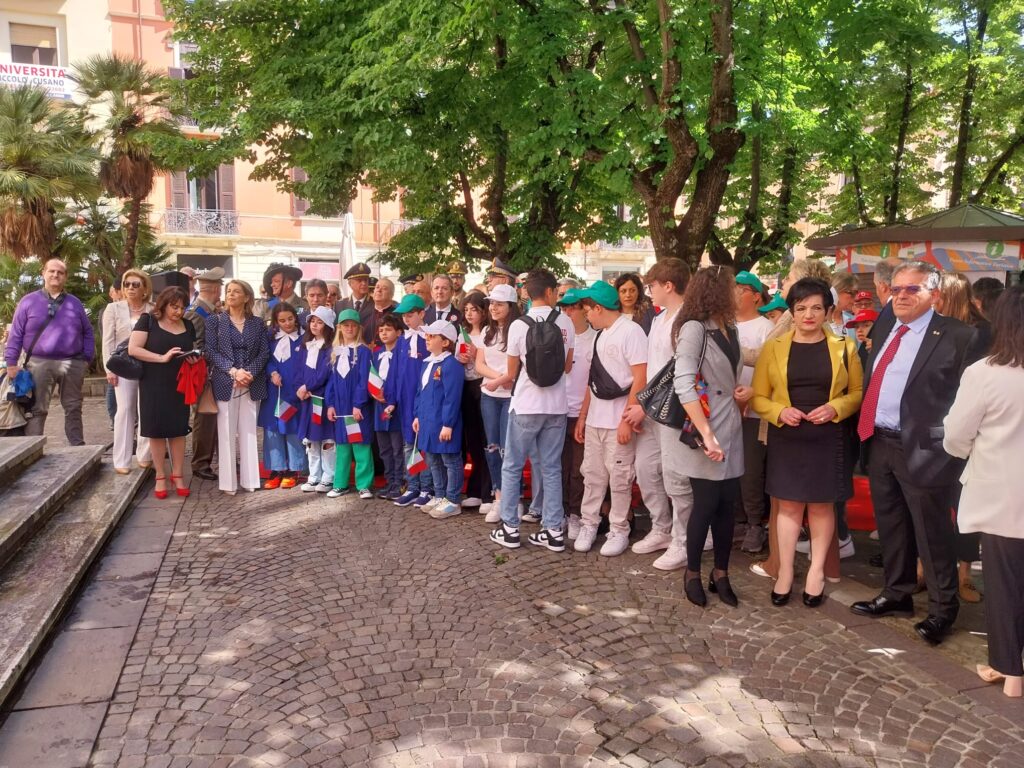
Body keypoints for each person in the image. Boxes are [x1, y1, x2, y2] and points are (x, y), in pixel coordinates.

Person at [851, 261, 982, 646]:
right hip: (880, 442)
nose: (902, 295)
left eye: (913, 289)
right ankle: (897, 593)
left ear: (935, 295)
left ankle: (943, 609)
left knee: (931, 532)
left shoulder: (960, 336)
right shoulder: (886, 326)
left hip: (927, 451)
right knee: (891, 524)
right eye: (896, 289)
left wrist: (951, 446)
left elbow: (970, 398)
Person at [751, 278, 863, 607]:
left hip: (828, 436)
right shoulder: (775, 346)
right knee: (787, 506)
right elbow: (759, 397)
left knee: (821, 505)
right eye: (801, 308)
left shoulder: (845, 346)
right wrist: (779, 411)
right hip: (788, 434)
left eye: (816, 308)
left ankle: (815, 572)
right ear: (792, 312)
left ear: (828, 311)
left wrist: (836, 407)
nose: (809, 315)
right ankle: (785, 571)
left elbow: (857, 393)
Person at [943, 286, 1024, 698]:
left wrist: (969, 450)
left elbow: (956, 435)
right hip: (1005, 491)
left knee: (1004, 581)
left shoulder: (985, 373)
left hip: (1002, 493)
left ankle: (1009, 670)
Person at [672, 266, 745, 608]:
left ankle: (721, 572)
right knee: (705, 504)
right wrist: (706, 433)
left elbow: (730, 372)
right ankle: (691, 572)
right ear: (718, 291)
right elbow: (683, 382)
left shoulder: (729, 326)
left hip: (730, 423)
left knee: (727, 504)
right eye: (733, 287)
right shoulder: (693, 328)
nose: (738, 293)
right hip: (706, 427)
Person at [489, 269, 575, 552]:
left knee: (512, 465)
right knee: (551, 468)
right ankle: (553, 531)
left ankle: (510, 528)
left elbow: (512, 372)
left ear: (528, 293)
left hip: (526, 404)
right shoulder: (566, 322)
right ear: (550, 292)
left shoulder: (518, 325)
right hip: (557, 406)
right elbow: (567, 366)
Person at [621, 258, 693, 569]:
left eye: (652, 285)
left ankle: (683, 540)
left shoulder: (687, 320)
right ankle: (661, 527)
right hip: (652, 408)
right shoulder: (661, 318)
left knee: (677, 477)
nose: (647, 291)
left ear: (669, 286)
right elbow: (652, 369)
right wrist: (642, 403)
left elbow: (677, 372)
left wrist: (644, 404)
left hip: (673, 409)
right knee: (648, 470)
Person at [572, 281, 648, 556]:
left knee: (619, 477)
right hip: (595, 419)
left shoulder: (631, 332)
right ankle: (589, 523)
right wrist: (583, 417)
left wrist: (626, 420)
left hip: (618, 418)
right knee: (592, 475)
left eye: (586, 309)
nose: (585, 314)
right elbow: (594, 382)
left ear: (598, 307)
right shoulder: (601, 335)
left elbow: (641, 377)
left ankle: (619, 529)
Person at [934, 271, 993, 604]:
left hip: (965, 432)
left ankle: (965, 574)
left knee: (964, 505)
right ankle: (925, 567)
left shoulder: (981, 332)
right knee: (930, 504)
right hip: (933, 430)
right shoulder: (929, 329)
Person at [4, 258, 94, 444]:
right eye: (52, 271)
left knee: (73, 407)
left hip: (72, 362)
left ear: (65, 277)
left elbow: (88, 332)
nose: (55, 275)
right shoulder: (28, 301)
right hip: (38, 363)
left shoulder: (74, 303)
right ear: (43, 274)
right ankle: (32, 447)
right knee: (37, 408)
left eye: (60, 272)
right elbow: (16, 334)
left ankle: (78, 447)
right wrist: (11, 362)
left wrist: (86, 358)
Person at [128, 287, 197, 499]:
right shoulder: (148, 320)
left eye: (182, 307)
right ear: (163, 304)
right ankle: (160, 475)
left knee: (178, 429)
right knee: (156, 429)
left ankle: (178, 475)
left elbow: (190, 347)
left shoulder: (187, 324)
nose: (179, 311)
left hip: (179, 383)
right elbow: (134, 349)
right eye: (174, 307)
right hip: (153, 381)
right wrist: (161, 357)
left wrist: (193, 359)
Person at [206, 280, 269, 495]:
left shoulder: (258, 323)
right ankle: (228, 483)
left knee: (249, 431)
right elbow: (211, 352)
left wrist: (248, 373)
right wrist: (233, 371)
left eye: (236, 291)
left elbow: (264, 352)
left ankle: (251, 480)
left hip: (251, 381)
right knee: (226, 431)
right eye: (228, 291)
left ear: (247, 297)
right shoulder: (215, 321)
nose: (231, 294)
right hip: (226, 381)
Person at [732, 270, 774, 554]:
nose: (734, 292)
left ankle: (755, 524)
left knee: (751, 470)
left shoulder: (766, 328)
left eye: (740, 288)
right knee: (728, 467)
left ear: (756, 296)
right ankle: (736, 519)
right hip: (725, 409)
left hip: (754, 411)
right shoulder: (725, 324)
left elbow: (770, 369)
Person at [476, 284, 521, 522]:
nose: (493, 307)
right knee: (491, 447)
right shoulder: (486, 331)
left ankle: (513, 500)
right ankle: (498, 497)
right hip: (490, 395)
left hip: (511, 397)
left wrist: (505, 380)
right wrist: (498, 379)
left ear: (510, 307)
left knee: (508, 450)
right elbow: (479, 364)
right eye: (491, 303)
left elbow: (519, 366)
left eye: (498, 303)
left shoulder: (519, 330)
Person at [102, 269, 154, 473]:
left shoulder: (153, 308)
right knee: (124, 411)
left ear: (145, 288)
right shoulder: (113, 309)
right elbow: (108, 341)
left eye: (135, 284)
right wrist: (109, 369)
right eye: (127, 284)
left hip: (149, 364)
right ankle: (122, 460)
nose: (130, 288)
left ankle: (144, 454)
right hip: (123, 366)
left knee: (146, 409)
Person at [554, 286, 595, 539]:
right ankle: (560, 512)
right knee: (558, 466)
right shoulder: (557, 337)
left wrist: (585, 413)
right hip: (558, 410)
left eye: (573, 307)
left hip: (584, 412)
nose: (568, 312)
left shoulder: (595, 338)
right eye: (564, 307)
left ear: (584, 309)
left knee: (579, 469)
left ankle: (577, 514)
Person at [414, 320, 466, 519]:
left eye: (432, 336)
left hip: (443, 422)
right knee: (433, 459)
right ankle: (439, 494)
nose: (427, 339)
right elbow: (420, 392)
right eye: (427, 336)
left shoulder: (451, 365)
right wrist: (417, 415)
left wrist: (448, 424)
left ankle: (452, 500)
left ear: (445, 342)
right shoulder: (427, 363)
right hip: (428, 420)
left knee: (450, 460)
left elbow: (452, 397)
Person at [390, 294, 436, 507]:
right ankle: (413, 485)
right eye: (404, 316)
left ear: (421, 314)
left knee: (423, 444)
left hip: (424, 398)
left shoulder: (430, 338)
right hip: (405, 399)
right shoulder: (401, 340)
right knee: (409, 444)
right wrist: (392, 398)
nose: (406, 320)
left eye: (410, 315)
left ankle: (427, 487)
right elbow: (395, 372)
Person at [325, 309, 374, 499]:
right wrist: (330, 404)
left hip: (356, 409)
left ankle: (364, 485)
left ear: (358, 328)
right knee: (343, 447)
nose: (350, 328)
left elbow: (364, 380)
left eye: (353, 325)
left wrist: (358, 404)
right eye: (346, 325)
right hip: (339, 407)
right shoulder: (335, 352)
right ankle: (340, 483)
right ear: (339, 328)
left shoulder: (363, 352)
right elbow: (330, 381)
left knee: (360, 446)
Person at [258, 303, 306, 490]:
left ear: (296, 317)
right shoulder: (271, 339)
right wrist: (272, 373)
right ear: (276, 322)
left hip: (293, 390)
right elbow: (267, 359)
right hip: (274, 390)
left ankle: (294, 469)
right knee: (272, 429)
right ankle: (276, 468)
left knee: (292, 429)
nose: (287, 324)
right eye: (282, 320)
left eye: (290, 319)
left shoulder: (303, 339)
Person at [186, 267, 223, 481]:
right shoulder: (197, 313)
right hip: (204, 374)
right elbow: (197, 348)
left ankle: (211, 459)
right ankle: (200, 462)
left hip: (214, 373)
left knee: (212, 418)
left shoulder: (209, 311)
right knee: (204, 417)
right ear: (217, 289)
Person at [456, 291, 492, 509]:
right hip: (467, 387)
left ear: (483, 311)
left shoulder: (488, 333)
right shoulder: (462, 333)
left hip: (485, 385)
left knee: (488, 439)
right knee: (473, 441)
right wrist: (460, 358)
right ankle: (475, 489)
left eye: (474, 309)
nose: (470, 314)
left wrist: (476, 354)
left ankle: (488, 491)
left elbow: (492, 359)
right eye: (466, 309)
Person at [297, 307, 336, 492]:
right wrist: (300, 387)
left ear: (327, 326)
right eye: (312, 321)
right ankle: (314, 476)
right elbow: (300, 370)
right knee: (312, 439)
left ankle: (328, 476)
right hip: (308, 398)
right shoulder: (306, 345)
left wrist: (308, 386)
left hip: (322, 397)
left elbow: (324, 373)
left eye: (320, 322)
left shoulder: (330, 348)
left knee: (326, 439)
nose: (315, 325)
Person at [371, 313, 405, 501]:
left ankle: (399, 481)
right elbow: (371, 377)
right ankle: (389, 480)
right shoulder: (376, 354)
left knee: (397, 447)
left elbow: (400, 380)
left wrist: (391, 400)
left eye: (388, 329)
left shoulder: (401, 354)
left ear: (398, 332)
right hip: (378, 406)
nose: (384, 333)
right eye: (381, 330)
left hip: (395, 408)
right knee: (384, 448)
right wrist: (373, 392)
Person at [102, 283, 122, 429]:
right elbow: (107, 338)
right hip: (116, 358)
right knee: (112, 389)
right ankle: (114, 419)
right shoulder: (108, 310)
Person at [364, 277, 398, 346]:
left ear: (391, 295)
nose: (379, 290)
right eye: (377, 287)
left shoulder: (398, 316)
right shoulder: (364, 314)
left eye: (384, 288)